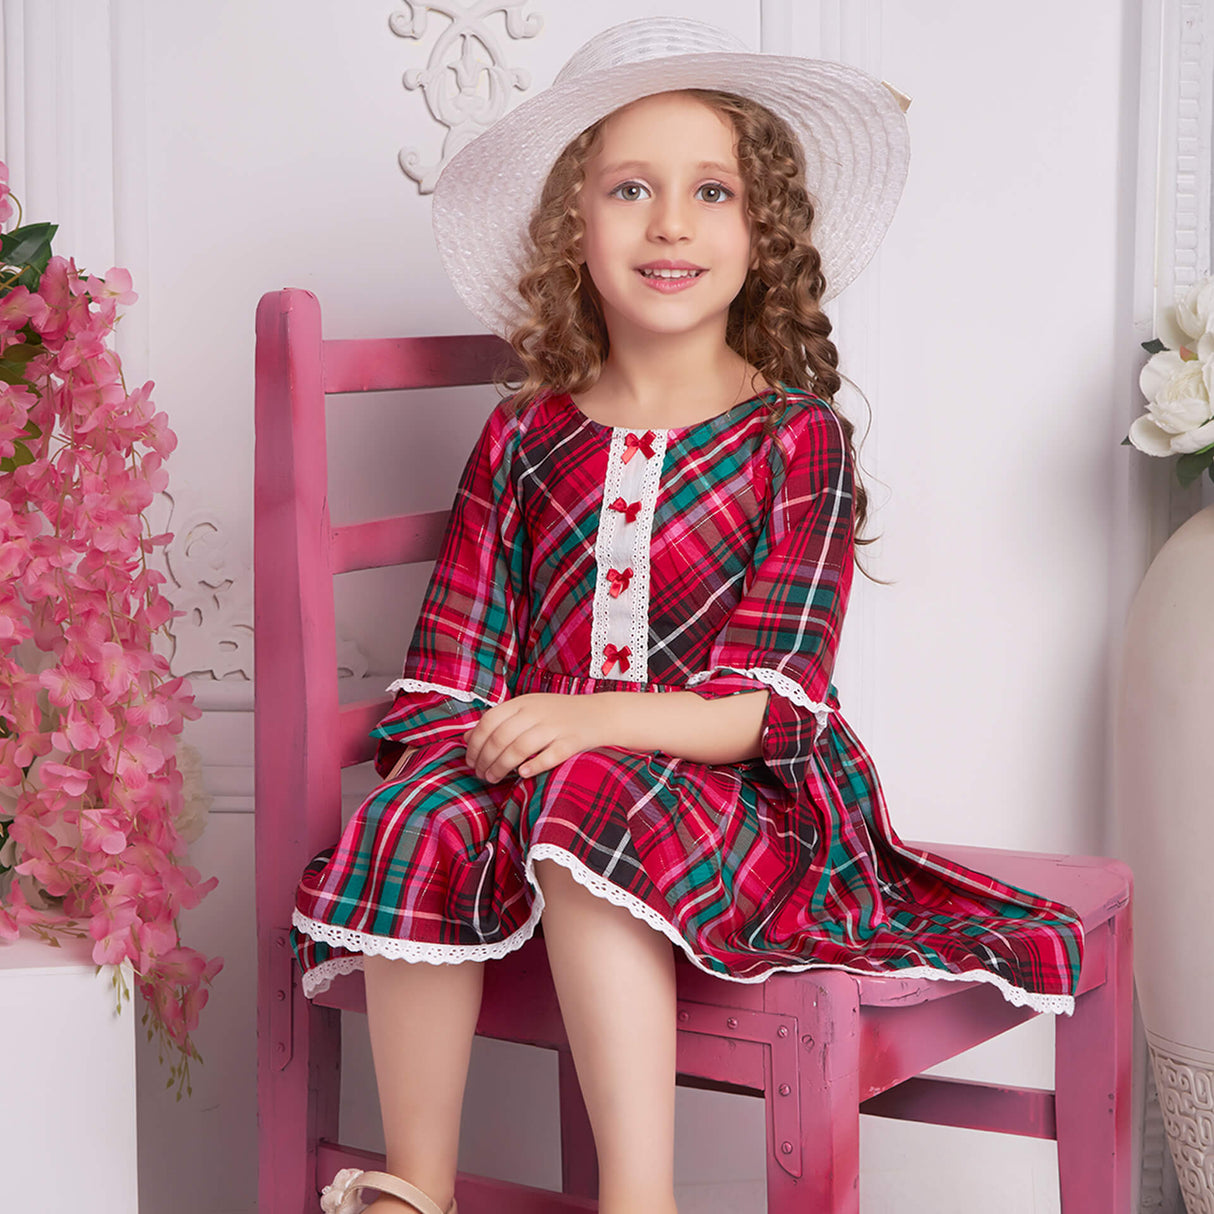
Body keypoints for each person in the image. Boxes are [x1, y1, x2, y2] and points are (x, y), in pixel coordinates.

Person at [295, 18, 1084, 1214]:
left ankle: (640, 1198)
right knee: (415, 811)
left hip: (744, 806)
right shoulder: (522, 434)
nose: (670, 223)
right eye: (629, 189)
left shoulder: (792, 440)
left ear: (757, 235)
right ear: (575, 229)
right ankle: (415, 1187)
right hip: (549, 774)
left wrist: (580, 718)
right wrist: (480, 745)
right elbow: (453, 665)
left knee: (585, 791)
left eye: (709, 191)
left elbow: (770, 710)